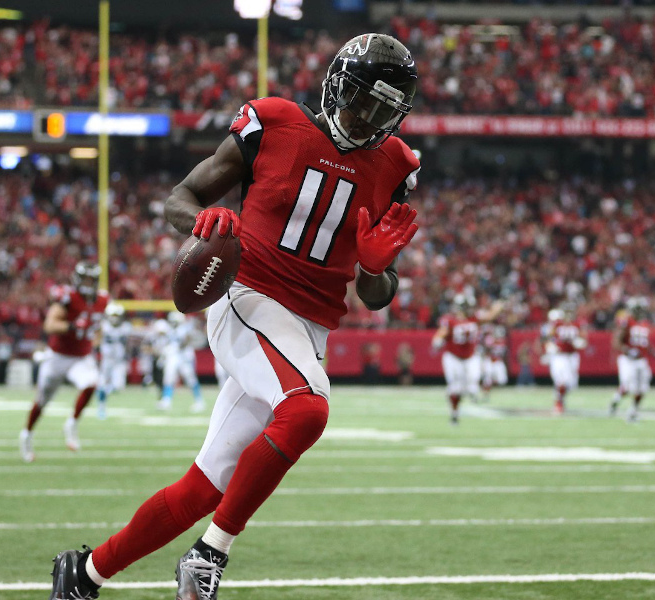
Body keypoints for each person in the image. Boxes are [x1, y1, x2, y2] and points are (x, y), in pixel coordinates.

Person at [48, 32, 420, 600]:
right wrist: (203, 223)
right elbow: (182, 195)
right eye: (363, 101)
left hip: (306, 328)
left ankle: (85, 573)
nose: (369, 119)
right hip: (247, 297)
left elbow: (376, 294)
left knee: (204, 486)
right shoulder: (272, 123)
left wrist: (373, 269)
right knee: (307, 411)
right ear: (338, 84)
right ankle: (209, 554)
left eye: (383, 111)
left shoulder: (394, 164)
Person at [20, 261, 107, 462]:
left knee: (91, 383)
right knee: (42, 401)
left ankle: (72, 423)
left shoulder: (101, 300)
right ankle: (27, 434)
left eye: (91, 279)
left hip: (80, 358)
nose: (88, 283)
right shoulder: (67, 298)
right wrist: (71, 326)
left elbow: (98, 327)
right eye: (85, 279)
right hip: (57, 357)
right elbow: (49, 325)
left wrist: (94, 342)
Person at [609, 298, 655, 422]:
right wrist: (627, 350)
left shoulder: (644, 324)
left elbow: (644, 343)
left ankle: (633, 410)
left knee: (642, 387)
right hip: (627, 359)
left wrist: (654, 352)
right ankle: (615, 400)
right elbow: (616, 341)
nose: (640, 312)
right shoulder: (626, 322)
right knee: (627, 386)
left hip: (641, 360)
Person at [431, 295, 481, 424]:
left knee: (473, 380)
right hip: (453, 357)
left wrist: (499, 306)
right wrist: (438, 339)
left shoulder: (474, 318)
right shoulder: (450, 320)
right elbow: (442, 332)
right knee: (455, 388)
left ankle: (472, 393)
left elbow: (489, 316)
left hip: (469, 356)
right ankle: (454, 414)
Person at [156, 311, 206, 413]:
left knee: (190, 379)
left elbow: (188, 340)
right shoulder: (170, 329)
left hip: (184, 357)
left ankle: (199, 401)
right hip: (174, 356)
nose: (173, 323)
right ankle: (166, 400)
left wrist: (183, 342)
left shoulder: (185, 328)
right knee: (169, 378)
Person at [540, 307, 586, 415]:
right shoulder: (557, 325)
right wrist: (550, 348)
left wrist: (580, 342)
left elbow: (584, 340)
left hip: (572, 356)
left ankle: (559, 398)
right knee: (561, 381)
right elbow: (547, 338)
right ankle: (558, 402)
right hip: (560, 356)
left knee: (572, 384)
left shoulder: (577, 324)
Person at [97, 302, 133, 420]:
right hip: (106, 360)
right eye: (113, 315)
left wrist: (128, 356)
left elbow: (128, 344)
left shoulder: (126, 327)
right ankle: (101, 408)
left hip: (119, 361)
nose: (114, 318)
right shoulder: (103, 326)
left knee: (118, 386)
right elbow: (95, 341)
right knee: (102, 383)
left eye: (117, 315)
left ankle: (103, 393)